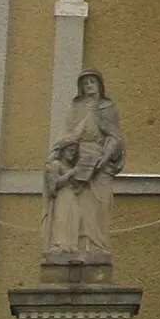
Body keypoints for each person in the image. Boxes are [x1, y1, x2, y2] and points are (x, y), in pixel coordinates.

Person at [43, 69, 124, 266]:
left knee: (100, 204)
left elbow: (115, 136)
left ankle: (98, 247)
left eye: (92, 82)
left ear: (99, 85)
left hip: (101, 162)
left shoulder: (108, 107)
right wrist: (57, 154)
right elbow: (68, 135)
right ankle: (80, 244)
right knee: (79, 205)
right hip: (80, 161)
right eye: (85, 82)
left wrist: (105, 157)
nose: (89, 86)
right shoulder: (77, 107)